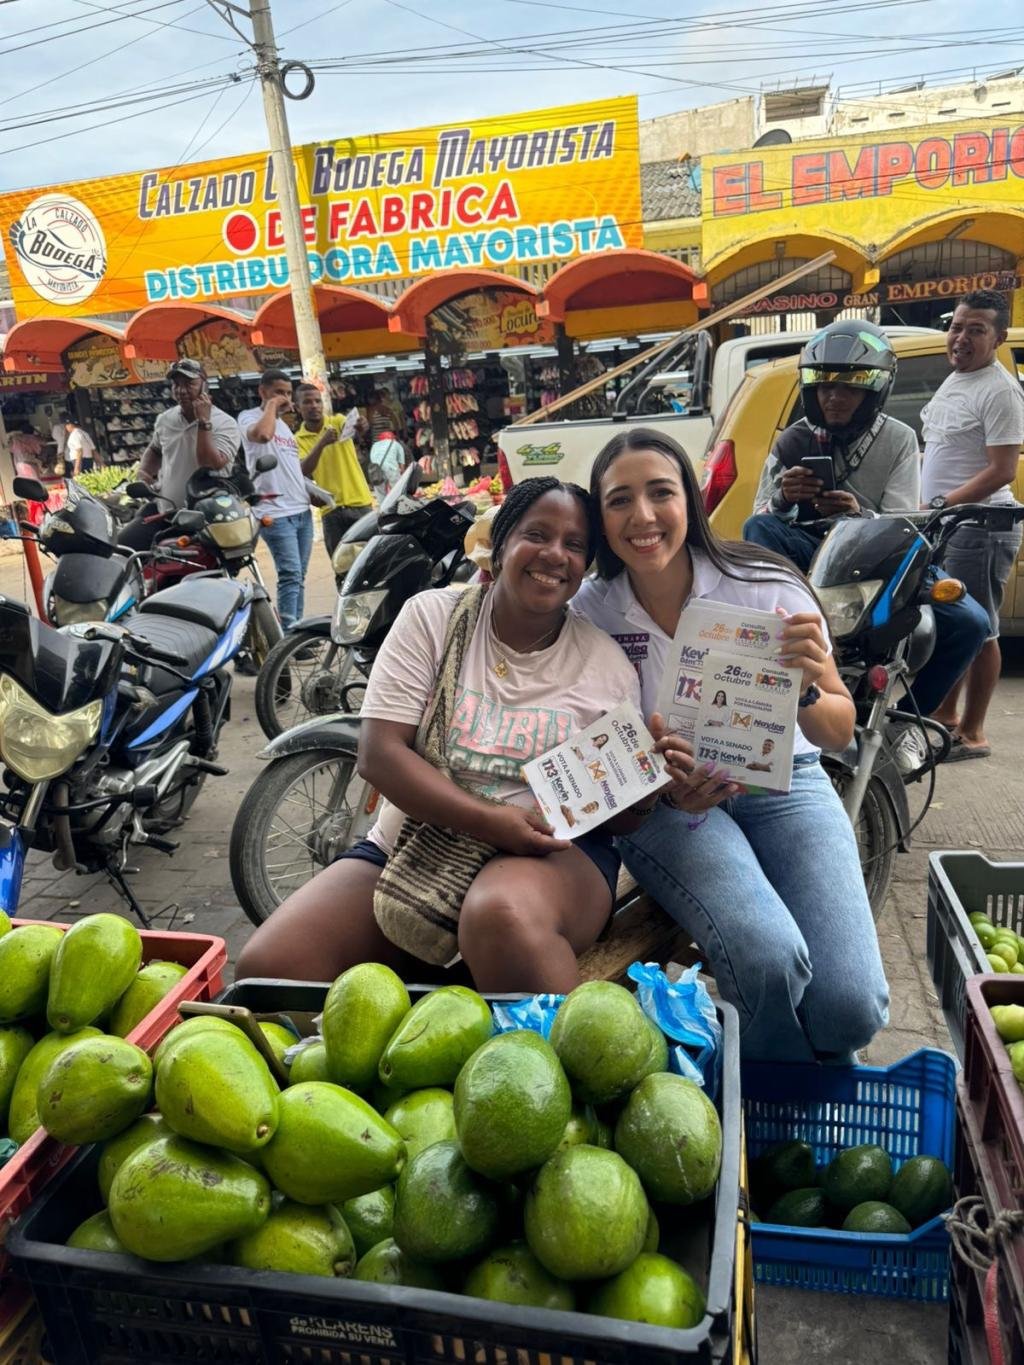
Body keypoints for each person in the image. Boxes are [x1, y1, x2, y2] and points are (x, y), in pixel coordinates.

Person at [235, 477, 671, 993]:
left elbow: (620, 817)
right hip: (420, 843)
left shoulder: (604, 664)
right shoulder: (434, 617)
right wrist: (491, 822)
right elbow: (379, 755)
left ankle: (543, 1055)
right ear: (502, 542)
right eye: (538, 534)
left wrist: (651, 784)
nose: (555, 554)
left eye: (575, 545)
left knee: (498, 914)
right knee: (269, 968)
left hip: (553, 855)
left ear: (586, 565)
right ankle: (441, 1007)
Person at [575, 427, 889, 1063]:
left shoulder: (764, 584)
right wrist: (659, 781)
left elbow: (838, 727)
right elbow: (588, 750)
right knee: (767, 958)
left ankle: (788, 1065)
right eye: (619, 500)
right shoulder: (588, 612)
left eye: (660, 492)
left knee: (850, 1007)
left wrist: (802, 689)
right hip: (667, 808)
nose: (642, 516)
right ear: (599, 517)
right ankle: (769, 1096)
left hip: (786, 786)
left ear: (690, 500)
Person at [743, 318, 988, 724]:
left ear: (873, 390)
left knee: (970, 623)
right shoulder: (793, 438)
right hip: (812, 554)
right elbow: (759, 517)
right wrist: (785, 498)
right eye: (825, 387)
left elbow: (903, 518)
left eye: (849, 388)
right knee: (757, 530)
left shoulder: (899, 438)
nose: (834, 398)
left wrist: (857, 514)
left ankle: (907, 723)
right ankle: (773, 665)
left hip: (882, 558)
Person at [922, 290, 1024, 760]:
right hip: (950, 524)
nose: (961, 338)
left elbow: (1003, 469)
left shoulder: (999, 389)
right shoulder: (959, 378)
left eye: (976, 330)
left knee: (981, 630)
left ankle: (974, 732)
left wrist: (945, 503)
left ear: (998, 337)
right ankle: (946, 718)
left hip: (981, 526)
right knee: (955, 626)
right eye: (957, 327)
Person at [119, 358, 240, 550]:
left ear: (204, 385)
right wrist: (145, 471)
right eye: (176, 384)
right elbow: (155, 449)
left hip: (206, 518)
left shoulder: (225, 423)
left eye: (190, 383)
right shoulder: (165, 419)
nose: (181, 390)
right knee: (124, 546)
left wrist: (203, 423)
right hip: (167, 511)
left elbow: (209, 463)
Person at [238, 371, 315, 630]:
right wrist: (271, 406)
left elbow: (292, 469)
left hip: (301, 509)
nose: (285, 398)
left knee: (298, 576)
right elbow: (261, 436)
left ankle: (297, 629)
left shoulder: (284, 426)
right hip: (274, 512)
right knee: (290, 574)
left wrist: (313, 493)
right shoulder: (249, 417)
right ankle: (291, 635)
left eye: (288, 393)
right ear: (262, 392)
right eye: (278, 392)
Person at [293, 383, 373, 559]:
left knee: (373, 561)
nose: (314, 405)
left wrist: (362, 427)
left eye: (317, 401)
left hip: (361, 504)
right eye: (307, 402)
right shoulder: (297, 440)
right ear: (298, 408)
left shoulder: (337, 422)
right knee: (341, 567)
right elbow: (303, 470)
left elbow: (360, 432)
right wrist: (322, 443)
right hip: (331, 511)